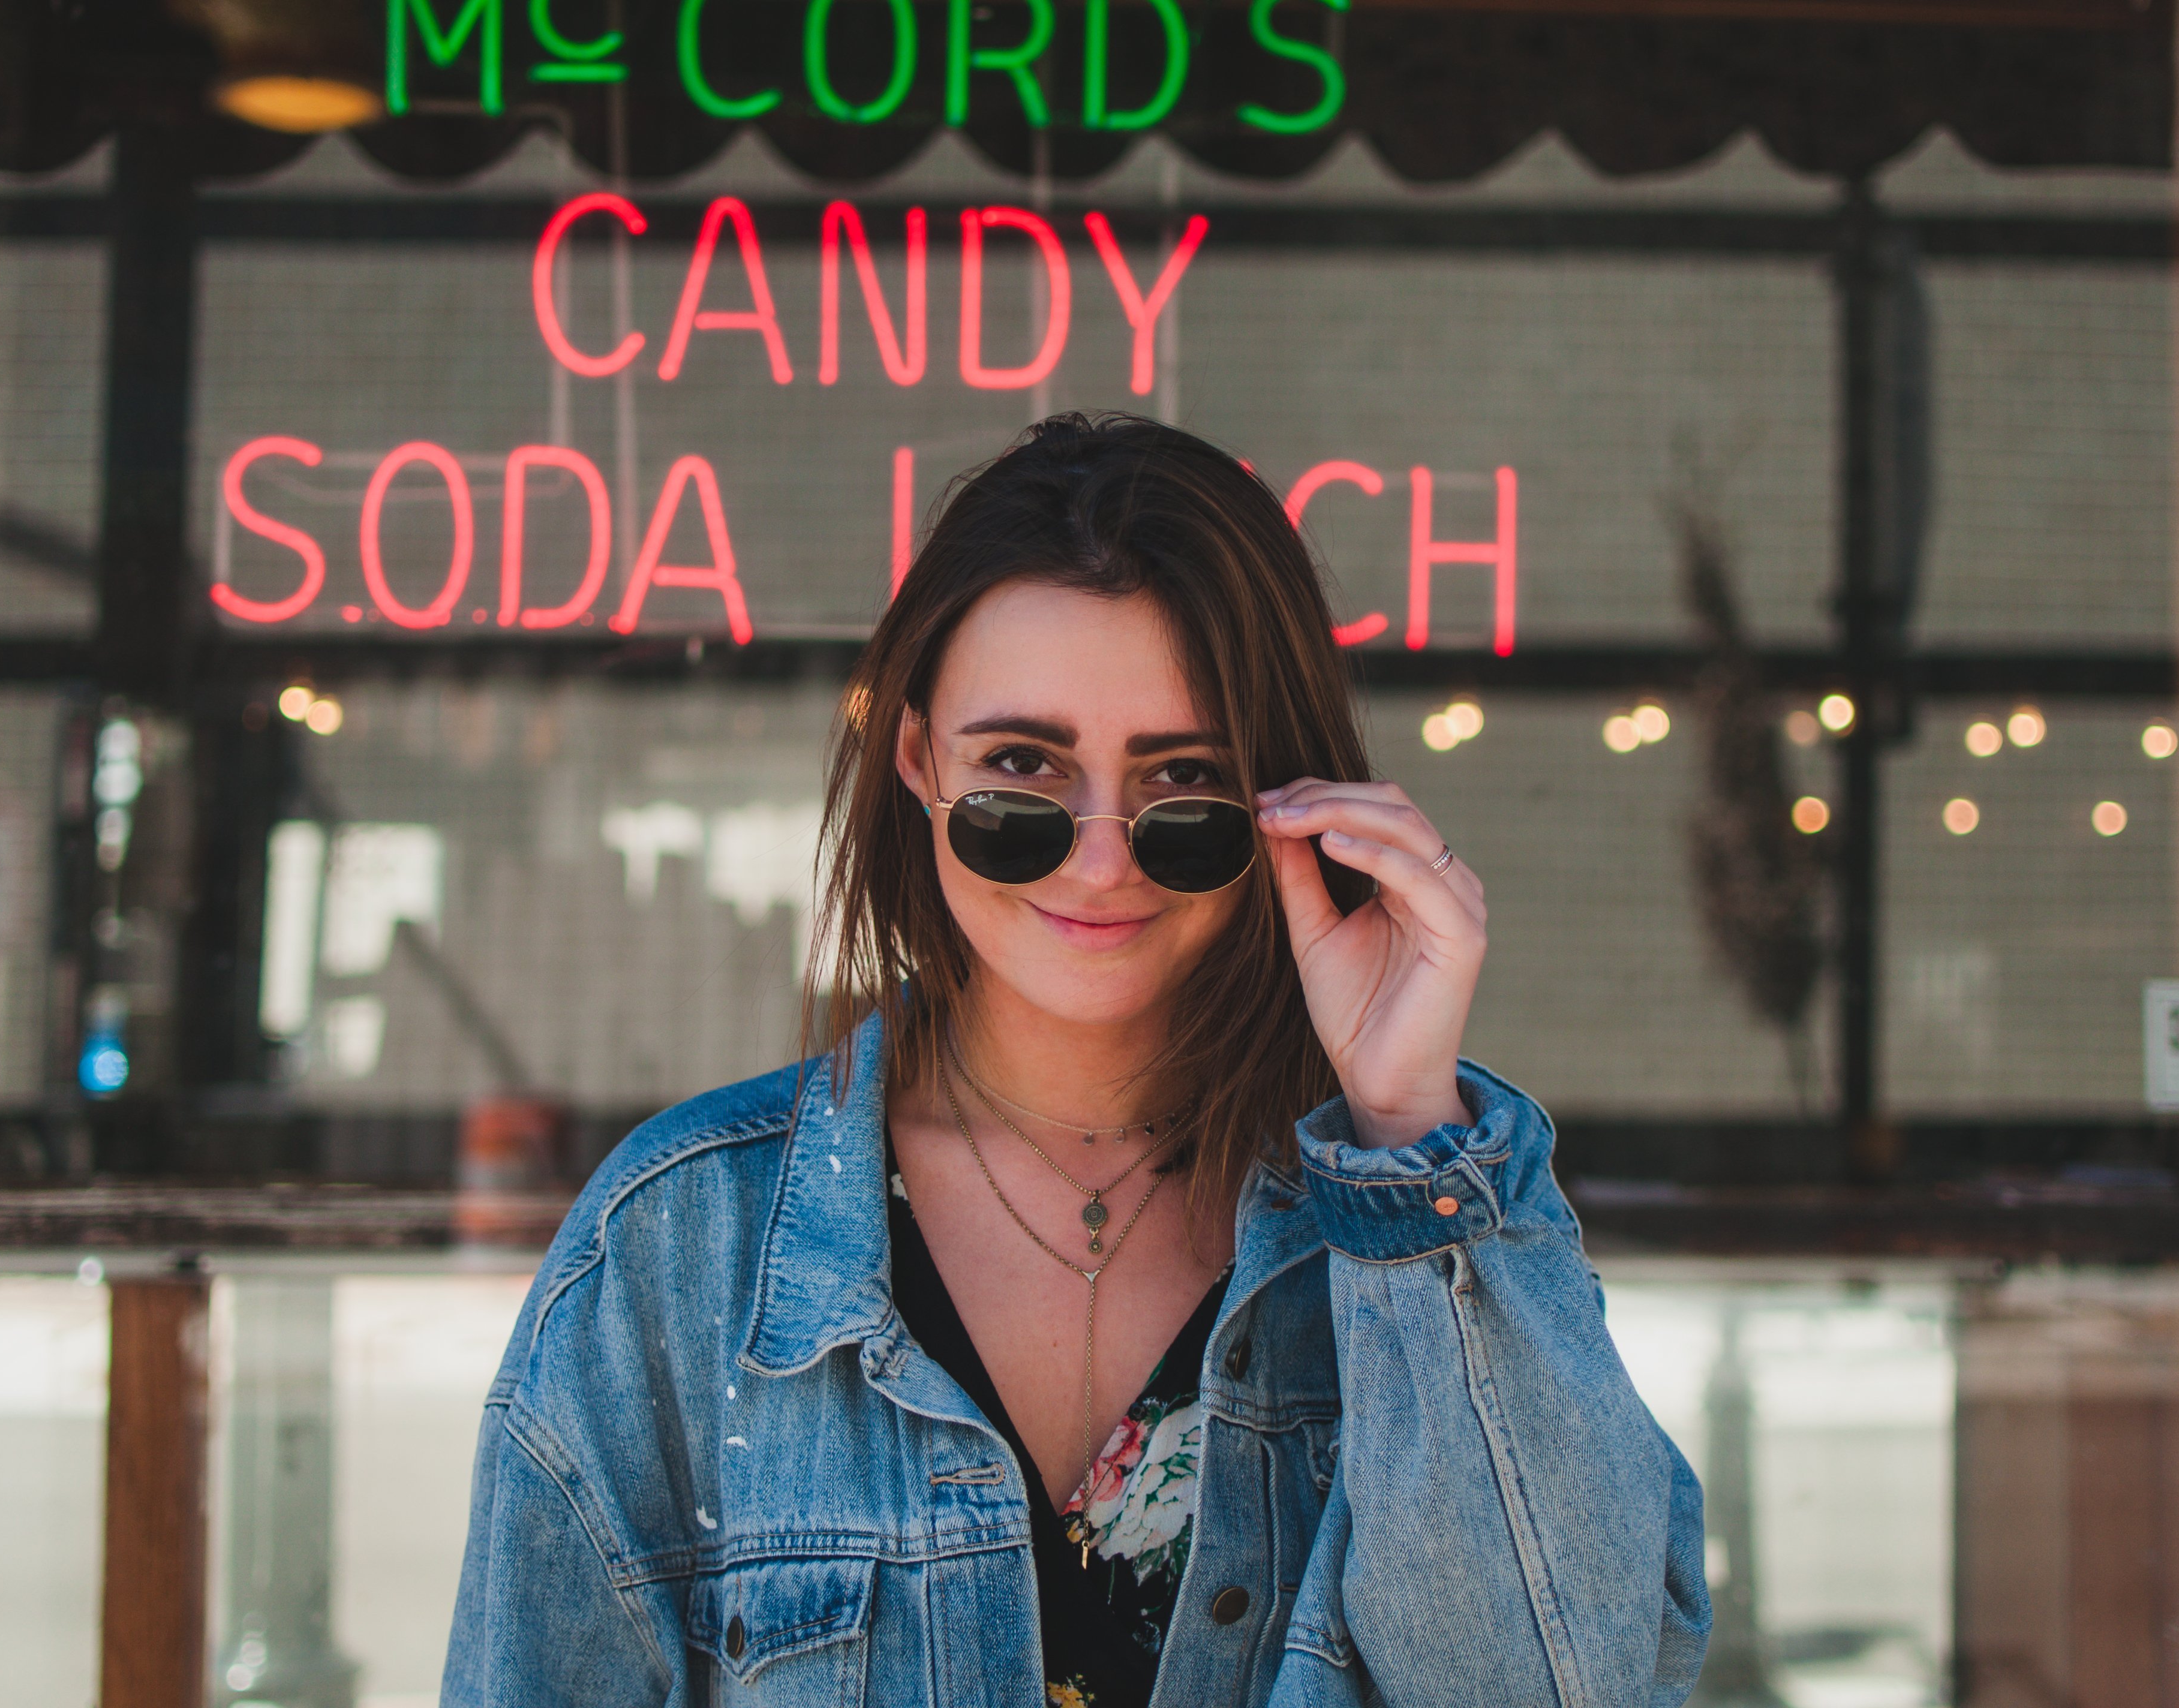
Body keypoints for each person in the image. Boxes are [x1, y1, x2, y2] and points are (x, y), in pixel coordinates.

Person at [443, 414, 1709, 1707]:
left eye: (1181, 783)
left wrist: (1398, 1124)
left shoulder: (1426, 1214)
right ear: (918, 762)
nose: (1099, 858)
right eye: (1020, 772)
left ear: (1281, 804)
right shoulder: (681, 1245)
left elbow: (1562, 1688)